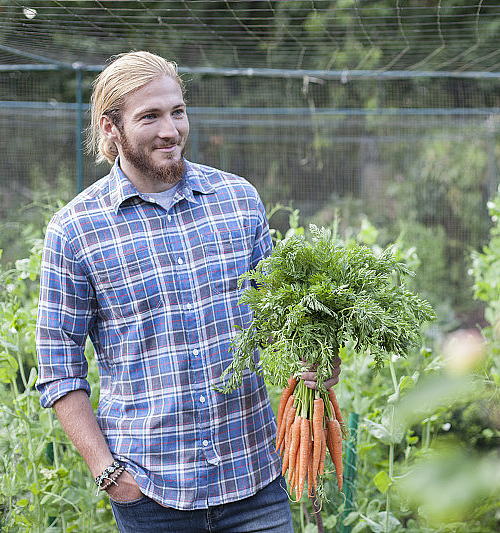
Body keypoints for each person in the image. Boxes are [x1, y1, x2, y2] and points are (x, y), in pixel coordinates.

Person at [35, 51, 339, 532]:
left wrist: (314, 358)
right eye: (150, 116)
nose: (170, 130)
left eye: (177, 111)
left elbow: (278, 317)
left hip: (255, 481)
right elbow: (57, 368)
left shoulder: (237, 201)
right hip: (152, 494)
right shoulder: (75, 230)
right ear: (111, 129)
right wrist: (107, 473)